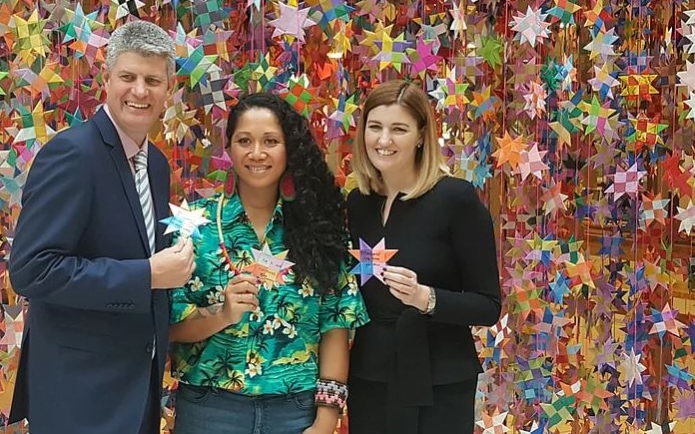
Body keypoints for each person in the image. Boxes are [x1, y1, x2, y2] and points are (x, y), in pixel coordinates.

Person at [7, 20, 196, 434]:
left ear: (168, 90)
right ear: (106, 79)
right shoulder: (72, 154)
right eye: (128, 77)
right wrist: (147, 274)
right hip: (79, 394)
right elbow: (32, 269)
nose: (140, 91)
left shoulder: (158, 165)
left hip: (137, 390)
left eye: (152, 80)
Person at [168, 93, 369, 434]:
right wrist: (223, 314)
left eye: (271, 141)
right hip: (211, 409)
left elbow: (335, 325)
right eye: (244, 141)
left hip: (295, 411)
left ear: (288, 149)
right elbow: (169, 325)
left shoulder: (320, 231)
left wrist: (326, 420)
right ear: (229, 148)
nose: (257, 153)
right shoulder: (196, 229)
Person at [345, 79, 502, 434]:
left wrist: (425, 298)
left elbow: (488, 306)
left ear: (420, 135)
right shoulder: (358, 202)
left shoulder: (455, 199)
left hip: (439, 380)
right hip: (370, 375)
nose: (383, 140)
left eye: (398, 129)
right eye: (375, 127)